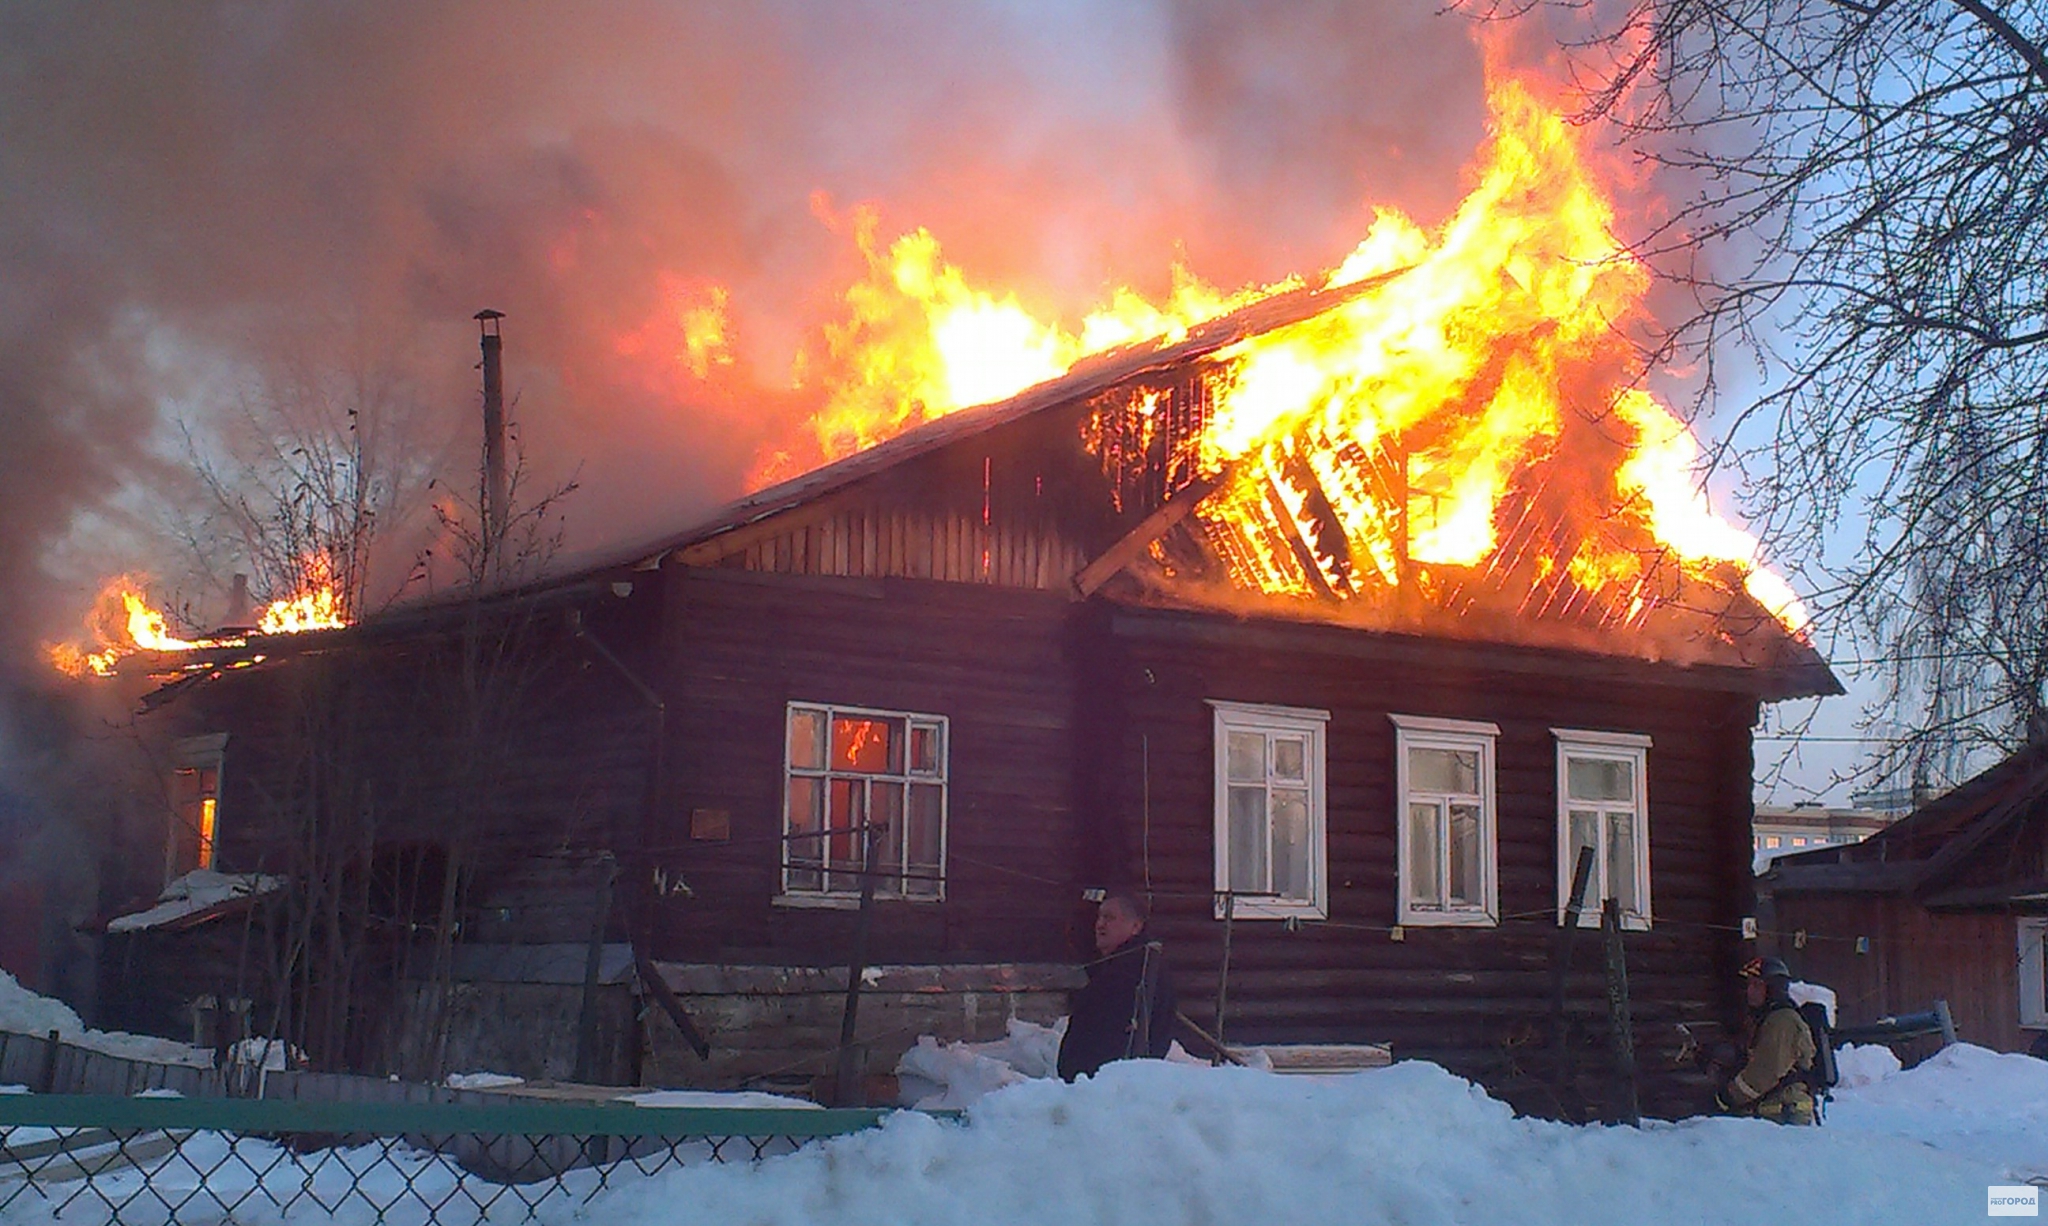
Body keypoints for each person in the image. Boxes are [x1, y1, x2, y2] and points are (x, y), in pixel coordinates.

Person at [1056, 890, 1177, 1081]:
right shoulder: (1114, 965)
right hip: (1097, 1082)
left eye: (1109, 918)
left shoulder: (1135, 969)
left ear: (1135, 927)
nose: (1100, 925)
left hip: (1112, 1084)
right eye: (1099, 917)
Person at [1714, 956, 1818, 1124]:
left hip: (1785, 1115)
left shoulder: (1782, 1020)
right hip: (1771, 1113)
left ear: (1773, 989)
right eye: (1749, 985)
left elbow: (1765, 1071)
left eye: (1757, 985)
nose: (1750, 991)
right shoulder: (1765, 1019)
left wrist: (1728, 1097)